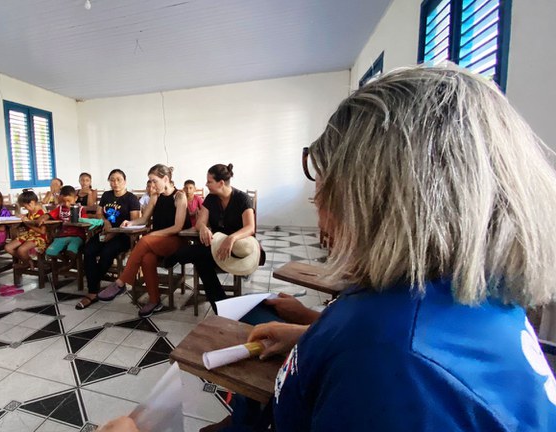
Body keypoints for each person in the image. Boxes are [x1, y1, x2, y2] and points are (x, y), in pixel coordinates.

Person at [101, 66, 556, 431]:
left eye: (327, 185)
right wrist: (308, 337)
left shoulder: (397, 371)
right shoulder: (454, 293)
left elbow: (387, 362)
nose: (318, 206)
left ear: (384, 198)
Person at [97, 164, 191, 318]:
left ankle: (121, 282)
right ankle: (155, 301)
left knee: (145, 240)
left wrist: (153, 235)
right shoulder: (155, 196)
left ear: (165, 179)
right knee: (147, 259)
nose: (151, 185)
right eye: (150, 181)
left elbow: (177, 227)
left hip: (177, 241)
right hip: (157, 241)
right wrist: (130, 223)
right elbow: (144, 219)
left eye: (154, 181)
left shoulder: (179, 196)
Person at [165, 164, 256, 313]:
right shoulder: (211, 199)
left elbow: (250, 227)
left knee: (193, 255)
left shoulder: (242, 198)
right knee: (201, 260)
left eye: (209, 181)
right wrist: (204, 228)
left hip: (236, 247)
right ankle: (222, 307)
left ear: (221, 183)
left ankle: (175, 257)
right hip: (216, 245)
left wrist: (231, 238)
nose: (206, 184)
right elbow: (200, 222)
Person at [79, 169, 141, 310]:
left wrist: (113, 233)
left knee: (107, 252)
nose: (115, 183)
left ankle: (92, 291)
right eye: (112, 180)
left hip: (123, 236)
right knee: (88, 250)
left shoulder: (131, 198)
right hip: (104, 231)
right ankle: (94, 288)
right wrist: (105, 221)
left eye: (119, 179)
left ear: (125, 181)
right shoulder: (107, 195)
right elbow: (99, 213)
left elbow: (134, 223)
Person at [4, 189, 47, 270]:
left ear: (32, 203)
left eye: (25, 207)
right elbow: (28, 219)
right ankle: (28, 261)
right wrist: (23, 217)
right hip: (28, 235)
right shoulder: (31, 211)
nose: (26, 209)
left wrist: (28, 223)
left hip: (39, 237)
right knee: (8, 247)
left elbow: (42, 231)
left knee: (21, 250)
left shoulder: (42, 214)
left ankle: (26, 263)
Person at [42, 185, 88, 257]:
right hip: (62, 235)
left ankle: (68, 266)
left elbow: (85, 221)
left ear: (75, 198)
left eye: (69, 201)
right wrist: (42, 218)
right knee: (50, 252)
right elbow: (49, 215)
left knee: (71, 251)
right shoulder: (60, 209)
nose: (66, 204)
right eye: (63, 201)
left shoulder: (80, 209)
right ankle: (64, 264)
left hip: (77, 235)